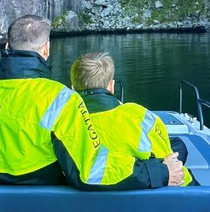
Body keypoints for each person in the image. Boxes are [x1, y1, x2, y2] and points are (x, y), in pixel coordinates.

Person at [0, 15, 185, 189]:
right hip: (46, 202)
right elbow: (91, 170)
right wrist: (160, 173)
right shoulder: (57, 97)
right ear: (46, 49)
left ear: (7, 47)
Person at [70, 53, 195, 186]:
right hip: (158, 197)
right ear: (111, 86)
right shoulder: (138, 115)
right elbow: (166, 158)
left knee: (177, 144)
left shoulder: (66, 123)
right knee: (177, 147)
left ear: (73, 88)